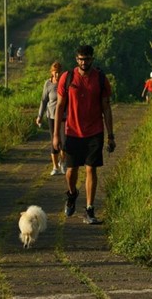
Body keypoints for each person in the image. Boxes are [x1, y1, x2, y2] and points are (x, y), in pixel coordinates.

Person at [53, 45, 115, 225]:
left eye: (87, 59)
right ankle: (72, 193)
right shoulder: (67, 78)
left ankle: (89, 209)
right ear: (76, 59)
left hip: (94, 131)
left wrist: (111, 135)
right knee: (71, 171)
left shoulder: (101, 79)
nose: (83, 62)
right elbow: (59, 107)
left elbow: (106, 107)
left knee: (90, 169)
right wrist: (56, 135)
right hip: (72, 131)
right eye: (80, 59)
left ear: (92, 59)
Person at [36, 62, 66, 176]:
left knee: (63, 141)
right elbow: (44, 100)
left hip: (63, 117)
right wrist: (40, 115)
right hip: (51, 116)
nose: (57, 75)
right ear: (52, 72)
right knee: (54, 141)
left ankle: (63, 162)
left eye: (59, 72)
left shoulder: (64, 83)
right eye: (55, 72)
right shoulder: (48, 84)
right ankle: (55, 167)